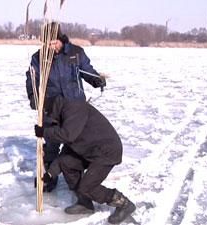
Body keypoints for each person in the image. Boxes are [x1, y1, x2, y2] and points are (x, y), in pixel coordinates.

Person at [25, 23, 106, 192]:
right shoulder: (38, 57)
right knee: (52, 144)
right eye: (47, 43)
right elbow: (32, 80)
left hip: (75, 106)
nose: (51, 46)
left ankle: (78, 181)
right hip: (52, 107)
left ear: (61, 39)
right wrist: (34, 97)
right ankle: (49, 179)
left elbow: (87, 71)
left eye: (54, 42)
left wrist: (96, 79)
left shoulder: (76, 53)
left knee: (75, 143)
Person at [34, 96, 136, 224]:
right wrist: (49, 175)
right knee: (66, 162)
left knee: (87, 187)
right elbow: (65, 154)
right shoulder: (63, 116)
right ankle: (84, 203)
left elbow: (68, 135)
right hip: (90, 151)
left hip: (106, 151)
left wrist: (45, 132)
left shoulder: (73, 108)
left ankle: (124, 204)